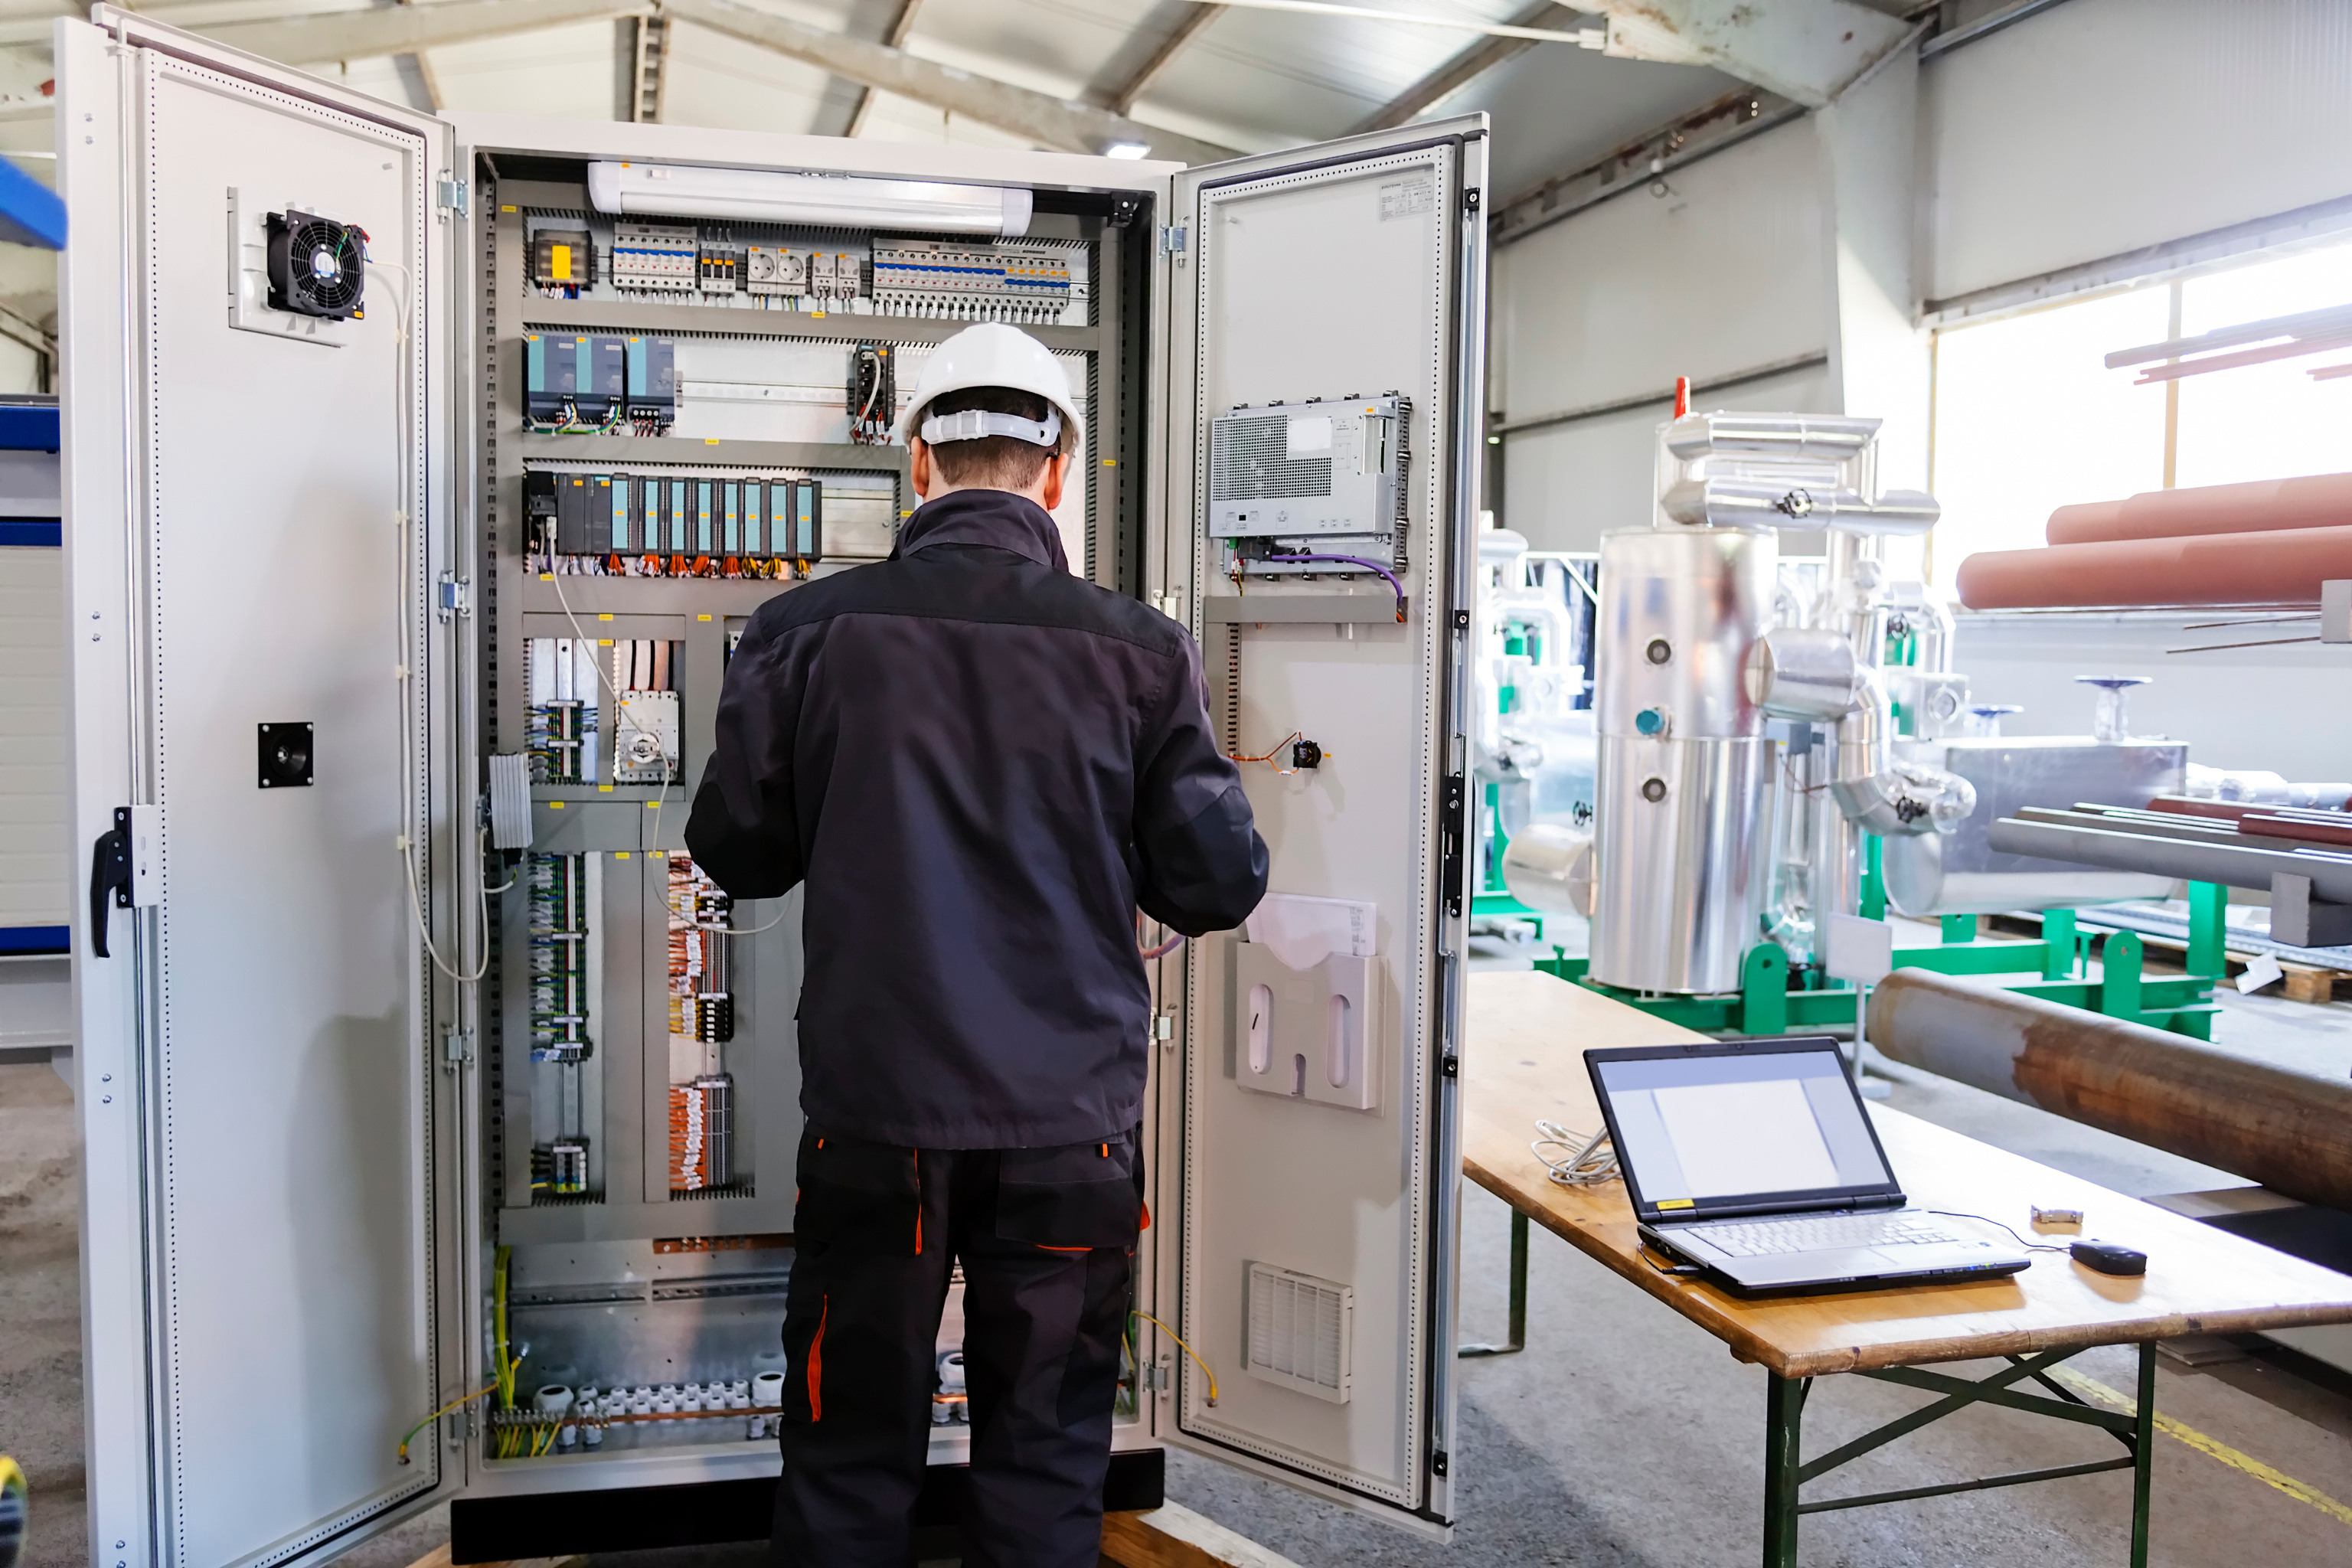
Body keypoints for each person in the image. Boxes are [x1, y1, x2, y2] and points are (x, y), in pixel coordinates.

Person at [684, 322, 1268, 1567]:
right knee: (1050, 1447)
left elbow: (737, 850)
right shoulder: (1141, 652)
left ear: (916, 463)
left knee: (849, 1449)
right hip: (1069, 1124)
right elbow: (1218, 884)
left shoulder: (801, 632)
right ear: (1058, 469)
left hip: (876, 1118)